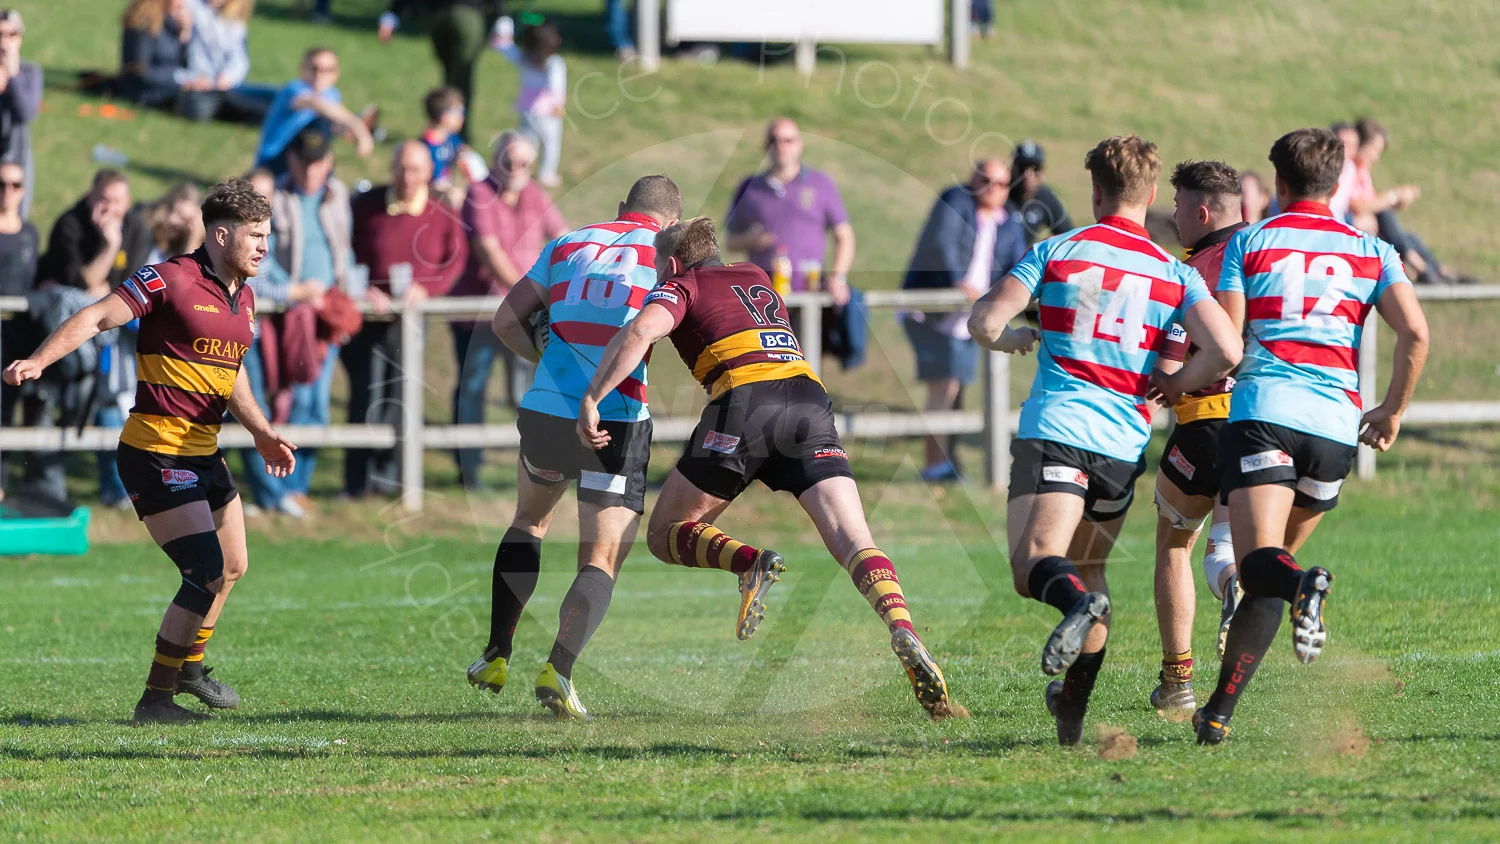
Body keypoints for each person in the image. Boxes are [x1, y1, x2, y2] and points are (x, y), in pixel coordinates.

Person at [579, 217, 964, 721]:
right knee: (854, 539)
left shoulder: (681, 283)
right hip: (808, 396)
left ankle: (748, 563)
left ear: (672, 263)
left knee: (665, 532)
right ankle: (903, 628)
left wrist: (593, 396)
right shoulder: (756, 275)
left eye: (656, 265)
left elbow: (641, 330)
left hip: (746, 403)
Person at [967, 135, 1242, 746]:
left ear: (1096, 191)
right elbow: (1227, 349)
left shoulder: (1056, 250)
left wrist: (1012, 341)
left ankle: (1074, 611)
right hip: (1124, 446)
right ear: (1149, 197)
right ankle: (1071, 707)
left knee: (1035, 565)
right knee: (1089, 568)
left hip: (1060, 430)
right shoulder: (1173, 270)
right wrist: (1174, 382)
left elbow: (984, 320)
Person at [4, 178, 298, 722]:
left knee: (233, 564)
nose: (264, 247)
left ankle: (189, 667)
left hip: (203, 453)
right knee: (205, 570)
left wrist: (260, 431)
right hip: (155, 454)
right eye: (256, 236)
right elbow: (95, 316)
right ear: (220, 233)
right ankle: (156, 698)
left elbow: (229, 377)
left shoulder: (244, 295)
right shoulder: (168, 278)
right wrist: (40, 359)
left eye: (268, 235)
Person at [1193, 128, 1430, 745]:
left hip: (1265, 412)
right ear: (1337, 182)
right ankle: (1217, 713)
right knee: (1270, 566)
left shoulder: (1251, 242)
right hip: (1334, 428)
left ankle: (1305, 586)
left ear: (1280, 183)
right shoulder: (1372, 249)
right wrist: (1391, 412)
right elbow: (1416, 333)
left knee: (1262, 566)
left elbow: (1228, 347)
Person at [465, 175, 681, 720]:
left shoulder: (568, 242)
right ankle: (558, 669)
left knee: (529, 522)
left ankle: (496, 654)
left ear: (619, 209)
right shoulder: (667, 255)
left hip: (546, 408)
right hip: (617, 413)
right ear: (671, 224)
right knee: (600, 554)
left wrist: (549, 361)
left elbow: (505, 321)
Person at [1147, 160, 1248, 718]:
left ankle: (1178, 682)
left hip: (1207, 419)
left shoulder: (1202, 269)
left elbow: (1184, 349)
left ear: (1202, 212)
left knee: (1174, 541)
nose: (1176, 219)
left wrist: (1162, 379)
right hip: (1266, 427)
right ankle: (1236, 583)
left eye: (1180, 208)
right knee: (1226, 551)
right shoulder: (1266, 251)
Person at [343, 140, 467, 498]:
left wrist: (427, 291)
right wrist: (364, 288)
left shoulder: (442, 209)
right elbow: (347, 249)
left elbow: (454, 259)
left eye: (415, 169)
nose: (407, 177)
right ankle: (357, 482)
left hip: (412, 319)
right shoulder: (367, 205)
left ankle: (394, 478)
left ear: (428, 172)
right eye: (402, 168)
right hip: (369, 315)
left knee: (402, 394)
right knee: (365, 393)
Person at [449, 131, 566, 489]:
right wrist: (532, 298)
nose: (515, 168)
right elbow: (489, 251)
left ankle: (537, 467)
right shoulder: (479, 193)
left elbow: (563, 236)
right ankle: (470, 473)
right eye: (508, 161)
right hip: (481, 314)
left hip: (524, 314)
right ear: (495, 160)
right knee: (473, 390)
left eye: (523, 163)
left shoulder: (535, 194)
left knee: (527, 392)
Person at [900, 159, 1027, 481]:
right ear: (973, 177)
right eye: (985, 179)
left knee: (954, 389)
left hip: (969, 320)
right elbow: (942, 243)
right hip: (932, 314)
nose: (991, 188)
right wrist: (959, 283)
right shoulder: (954, 201)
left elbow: (1018, 263)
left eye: (1000, 183)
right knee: (943, 387)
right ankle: (934, 465)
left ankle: (944, 462)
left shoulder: (1008, 220)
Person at [262, 125, 354, 505]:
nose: (311, 171)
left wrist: (342, 293)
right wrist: (300, 292)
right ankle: (283, 487)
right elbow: (265, 259)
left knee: (318, 401)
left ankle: (299, 488)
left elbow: (344, 251)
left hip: (327, 311)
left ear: (329, 162)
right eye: (305, 162)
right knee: (295, 398)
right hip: (292, 312)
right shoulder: (277, 199)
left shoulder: (338, 196)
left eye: (318, 163)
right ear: (292, 161)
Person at [725, 118, 854, 306]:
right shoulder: (750, 188)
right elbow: (730, 242)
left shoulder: (820, 184)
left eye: (788, 140)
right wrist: (753, 241)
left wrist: (838, 277)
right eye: (774, 140)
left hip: (811, 294)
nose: (781, 146)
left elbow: (844, 235)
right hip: (764, 297)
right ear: (765, 146)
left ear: (799, 145)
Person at [1347, 117, 1473, 285]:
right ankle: (1421, 267)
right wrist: (1393, 197)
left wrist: (1395, 201)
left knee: (1411, 238)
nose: (1376, 157)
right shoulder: (1350, 171)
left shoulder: (1362, 171)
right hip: (1358, 231)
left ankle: (1438, 270)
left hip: (1373, 228)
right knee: (1385, 213)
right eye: (1374, 149)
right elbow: (1359, 207)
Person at [379, 0, 501, 146]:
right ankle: (455, 139)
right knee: (461, 78)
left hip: (435, 13)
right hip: (465, 13)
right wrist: (501, 14)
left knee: (451, 77)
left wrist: (392, 14)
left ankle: (443, 133)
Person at [254, 47, 374, 175]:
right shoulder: (294, 89)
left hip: (307, 161)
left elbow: (332, 124)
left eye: (328, 70)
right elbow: (316, 104)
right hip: (274, 162)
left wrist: (348, 132)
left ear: (336, 74)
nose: (320, 75)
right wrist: (358, 127)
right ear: (302, 69)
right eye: (314, 68)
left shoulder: (333, 94)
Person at [492, 19, 567, 188]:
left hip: (526, 108)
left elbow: (504, 47)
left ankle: (521, 167)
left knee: (527, 142)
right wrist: (558, 105)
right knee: (551, 143)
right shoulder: (555, 63)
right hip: (548, 112)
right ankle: (546, 173)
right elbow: (556, 87)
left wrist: (503, 29)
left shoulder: (523, 58)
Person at [176, 0, 276, 124]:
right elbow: (186, 54)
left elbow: (240, 59)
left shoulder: (235, 22)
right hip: (205, 86)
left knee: (278, 95)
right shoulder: (192, 8)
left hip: (229, 84)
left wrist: (227, 77)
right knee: (261, 110)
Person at [0, 160, 37, 438]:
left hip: (18, 335)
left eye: (15, 185)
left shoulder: (30, 234)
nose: (8, 191)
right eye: (2, 184)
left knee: (9, 410)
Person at [0, 9, 41, 220]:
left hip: (17, 158)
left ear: (20, 39)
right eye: (0, 34)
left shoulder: (30, 72)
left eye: (11, 34)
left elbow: (27, 112)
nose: (4, 41)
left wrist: (13, 77)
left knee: (15, 219)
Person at [1009, 140, 1074, 245]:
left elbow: (1068, 237)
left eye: (1035, 169)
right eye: (1022, 168)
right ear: (1013, 168)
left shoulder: (1046, 199)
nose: (1028, 175)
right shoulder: (1000, 194)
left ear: (1043, 170)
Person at [420, 85, 475, 206]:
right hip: (430, 196)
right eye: (460, 112)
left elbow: (466, 157)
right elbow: (435, 183)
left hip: (447, 190)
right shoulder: (426, 147)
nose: (462, 117)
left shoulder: (451, 139)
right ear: (444, 116)